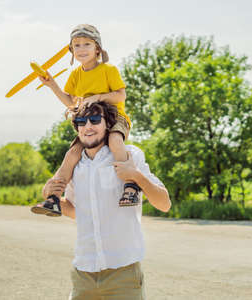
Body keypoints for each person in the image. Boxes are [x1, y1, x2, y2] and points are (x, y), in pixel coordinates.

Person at [43, 101, 171, 299]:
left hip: (123, 274)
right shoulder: (75, 167)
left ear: (108, 124)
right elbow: (77, 211)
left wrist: (136, 176)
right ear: (76, 127)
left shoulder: (129, 155)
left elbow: (164, 204)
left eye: (95, 119)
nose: (88, 126)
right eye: (81, 121)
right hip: (83, 273)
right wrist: (52, 196)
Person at [31, 24, 140, 217]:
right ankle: (54, 198)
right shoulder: (75, 75)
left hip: (114, 117)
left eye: (86, 44)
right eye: (77, 45)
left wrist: (97, 97)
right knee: (72, 153)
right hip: (90, 121)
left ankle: (130, 185)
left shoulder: (108, 69)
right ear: (71, 50)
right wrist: (52, 84)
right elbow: (70, 102)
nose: (81, 49)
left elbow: (121, 96)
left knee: (115, 140)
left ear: (97, 48)